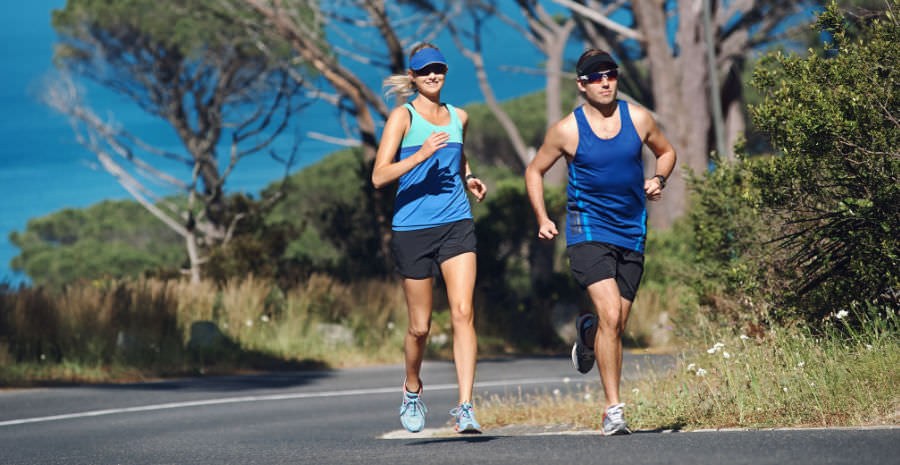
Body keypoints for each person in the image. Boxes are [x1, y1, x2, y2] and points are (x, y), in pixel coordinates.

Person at [524, 49, 676, 435]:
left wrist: (659, 179)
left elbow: (667, 151)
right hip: (587, 228)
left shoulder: (639, 118)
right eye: (595, 77)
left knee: (616, 323)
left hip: (631, 229)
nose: (605, 82)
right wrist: (542, 217)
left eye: (610, 74)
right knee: (612, 315)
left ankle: (587, 333)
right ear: (581, 85)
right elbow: (535, 171)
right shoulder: (566, 130)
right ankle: (614, 410)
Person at [372, 43, 488, 434]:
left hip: (457, 223)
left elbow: (458, 155)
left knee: (463, 312)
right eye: (424, 72)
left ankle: (466, 406)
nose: (432, 76)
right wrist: (420, 154)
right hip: (413, 229)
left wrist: (468, 177)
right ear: (413, 76)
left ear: (445, 71)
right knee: (420, 327)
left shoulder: (460, 116)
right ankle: (412, 386)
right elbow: (379, 176)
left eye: (437, 69)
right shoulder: (401, 117)